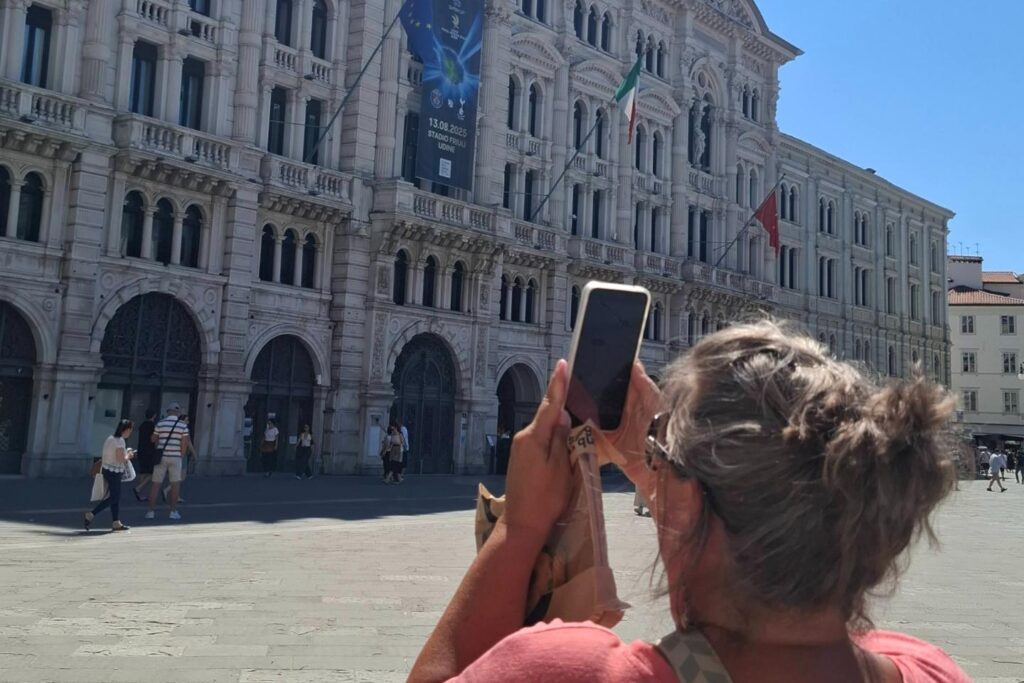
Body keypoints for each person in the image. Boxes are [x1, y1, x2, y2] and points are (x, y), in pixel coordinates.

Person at [409, 320, 969, 683]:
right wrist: (664, 474)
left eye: (661, 453)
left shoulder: (569, 669)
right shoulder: (930, 670)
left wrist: (520, 530)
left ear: (689, 501)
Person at [84, 419, 134, 532]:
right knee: (114, 497)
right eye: (130, 430)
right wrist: (129, 455)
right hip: (114, 471)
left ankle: (116, 522)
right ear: (126, 430)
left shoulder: (110, 438)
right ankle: (91, 514)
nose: (130, 432)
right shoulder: (120, 441)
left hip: (107, 469)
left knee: (114, 496)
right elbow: (121, 459)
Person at [146, 403, 190, 521]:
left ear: (167, 412)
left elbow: (153, 439)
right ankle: (173, 511)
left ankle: (150, 512)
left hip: (161, 457)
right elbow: (184, 444)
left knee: (155, 484)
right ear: (178, 413)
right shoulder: (183, 426)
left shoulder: (160, 424)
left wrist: (159, 444)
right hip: (175, 457)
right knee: (175, 484)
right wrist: (180, 455)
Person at [164, 414, 195, 503]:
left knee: (175, 476)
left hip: (173, 453)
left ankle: (175, 495)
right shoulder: (185, 430)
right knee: (181, 477)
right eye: (187, 420)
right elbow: (189, 443)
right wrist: (194, 454)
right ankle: (168, 491)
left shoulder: (175, 429)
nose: (188, 422)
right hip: (182, 455)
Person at [132, 410, 158, 502]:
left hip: (141, 450)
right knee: (153, 472)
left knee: (143, 472)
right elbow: (153, 439)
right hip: (150, 451)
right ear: (154, 415)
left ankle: (141, 494)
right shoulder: (153, 426)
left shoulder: (142, 425)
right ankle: (139, 488)